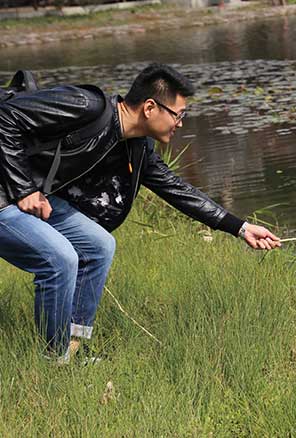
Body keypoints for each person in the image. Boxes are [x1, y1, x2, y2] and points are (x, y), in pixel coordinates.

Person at [0, 63, 281, 363]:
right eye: (178, 114)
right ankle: (54, 361)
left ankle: (74, 347)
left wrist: (240, 227)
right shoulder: (86, 104)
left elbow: (175, 188)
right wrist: (24, 189)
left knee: (99, 246)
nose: (181, 123)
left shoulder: (136, 146)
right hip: (9, 191)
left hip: (30, 194)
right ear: (150, 107)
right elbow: (5, 117)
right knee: (61, 259)